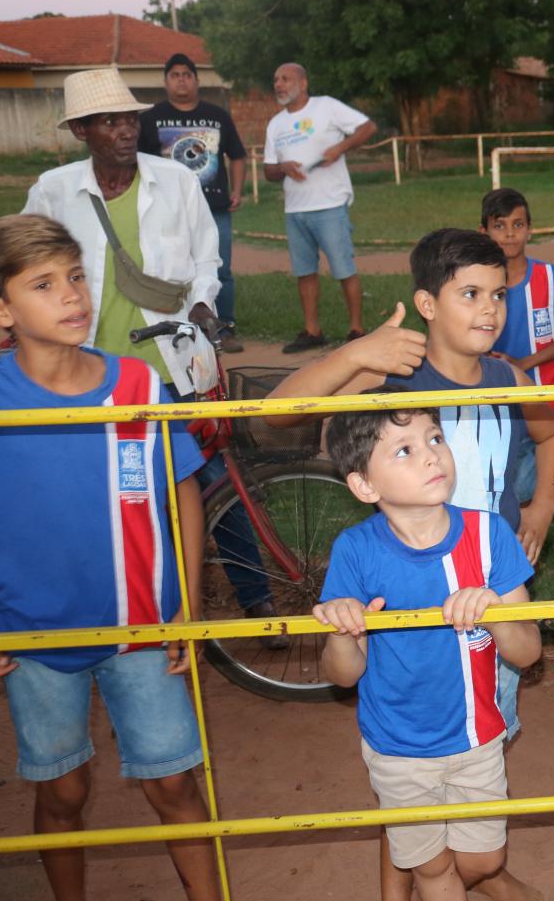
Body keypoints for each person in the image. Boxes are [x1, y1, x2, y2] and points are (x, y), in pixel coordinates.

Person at [262, 228, 554, 901]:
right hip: (406, 611)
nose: (489, 309)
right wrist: (355, 355)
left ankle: (468, 872)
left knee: (479, 753)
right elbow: (272, 419)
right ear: (426, 303)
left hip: (486, 600)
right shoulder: (394, 375)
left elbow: (553, 438)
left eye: (499, 295)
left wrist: (543, 506)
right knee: (409, 778)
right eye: (469, 294)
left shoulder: (510, 378)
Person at [0, 214, 236, 901]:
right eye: (45, 285)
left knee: (175, 786)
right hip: (29, 637)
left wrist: (187, 611)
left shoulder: (137, 383)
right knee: (61, 793)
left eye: (77, 277)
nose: (73, 296)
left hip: (143, 631)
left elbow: (183, 491)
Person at [21, 69, 278, 627]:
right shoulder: (53, 190)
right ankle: (104, 602)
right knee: (98, 488)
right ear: (82, 131)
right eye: (108, 121)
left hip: (172, 365)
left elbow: (207, 258)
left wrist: (205, 304)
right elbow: (25, 267)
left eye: (129, 119)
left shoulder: (174, 180)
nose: (123, 130)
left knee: (211, 478)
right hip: (90, 371)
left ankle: (255, 592)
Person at [315, 401, 542, 901]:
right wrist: (344, 630)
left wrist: (495, 614)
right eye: (405, 450)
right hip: (397, 747)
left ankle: (424, 890)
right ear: (365, 485)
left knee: (482, 860)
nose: (432, 455)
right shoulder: (356, 551)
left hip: (478, 737)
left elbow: (528, 652)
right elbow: (343, 675)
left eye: (434, 437)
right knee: (434, 866)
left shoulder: (490, 535)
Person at [483, 188, 554, 599]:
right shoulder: (478, 282)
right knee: (505, 487)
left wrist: (519, 367)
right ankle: (509, 575)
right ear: (484, 231)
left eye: (518, 225)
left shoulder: (549, 276)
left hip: (552, 398)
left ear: (530, 229)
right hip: (498, 406)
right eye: (499, 226)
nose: (509, 234)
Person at [262, 62, 376, 352]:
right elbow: (269, 172)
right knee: (304, 272)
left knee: (343, 269)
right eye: (276, 80)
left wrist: (340, 148)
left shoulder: (326, 107)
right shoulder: (275, 124)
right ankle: (312, 331)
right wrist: (284, 167)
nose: (279, 85)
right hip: (295, 209)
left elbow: (368, 128)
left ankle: (356, 330)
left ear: (303, 83)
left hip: (330, 204)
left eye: (286, 79)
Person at [138, 53, 248, 352]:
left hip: (215, 209)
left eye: (187, 74)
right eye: (174, 74)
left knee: (219, 268)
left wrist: (237, 190)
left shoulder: (217, 116)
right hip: (167, 210)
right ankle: (173, 326)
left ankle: (223, 327)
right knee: (167, 267)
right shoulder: (149, 119)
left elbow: (237, 155)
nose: (181, 79)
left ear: (197, 81)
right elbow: (137, 163)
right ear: (166, 81)